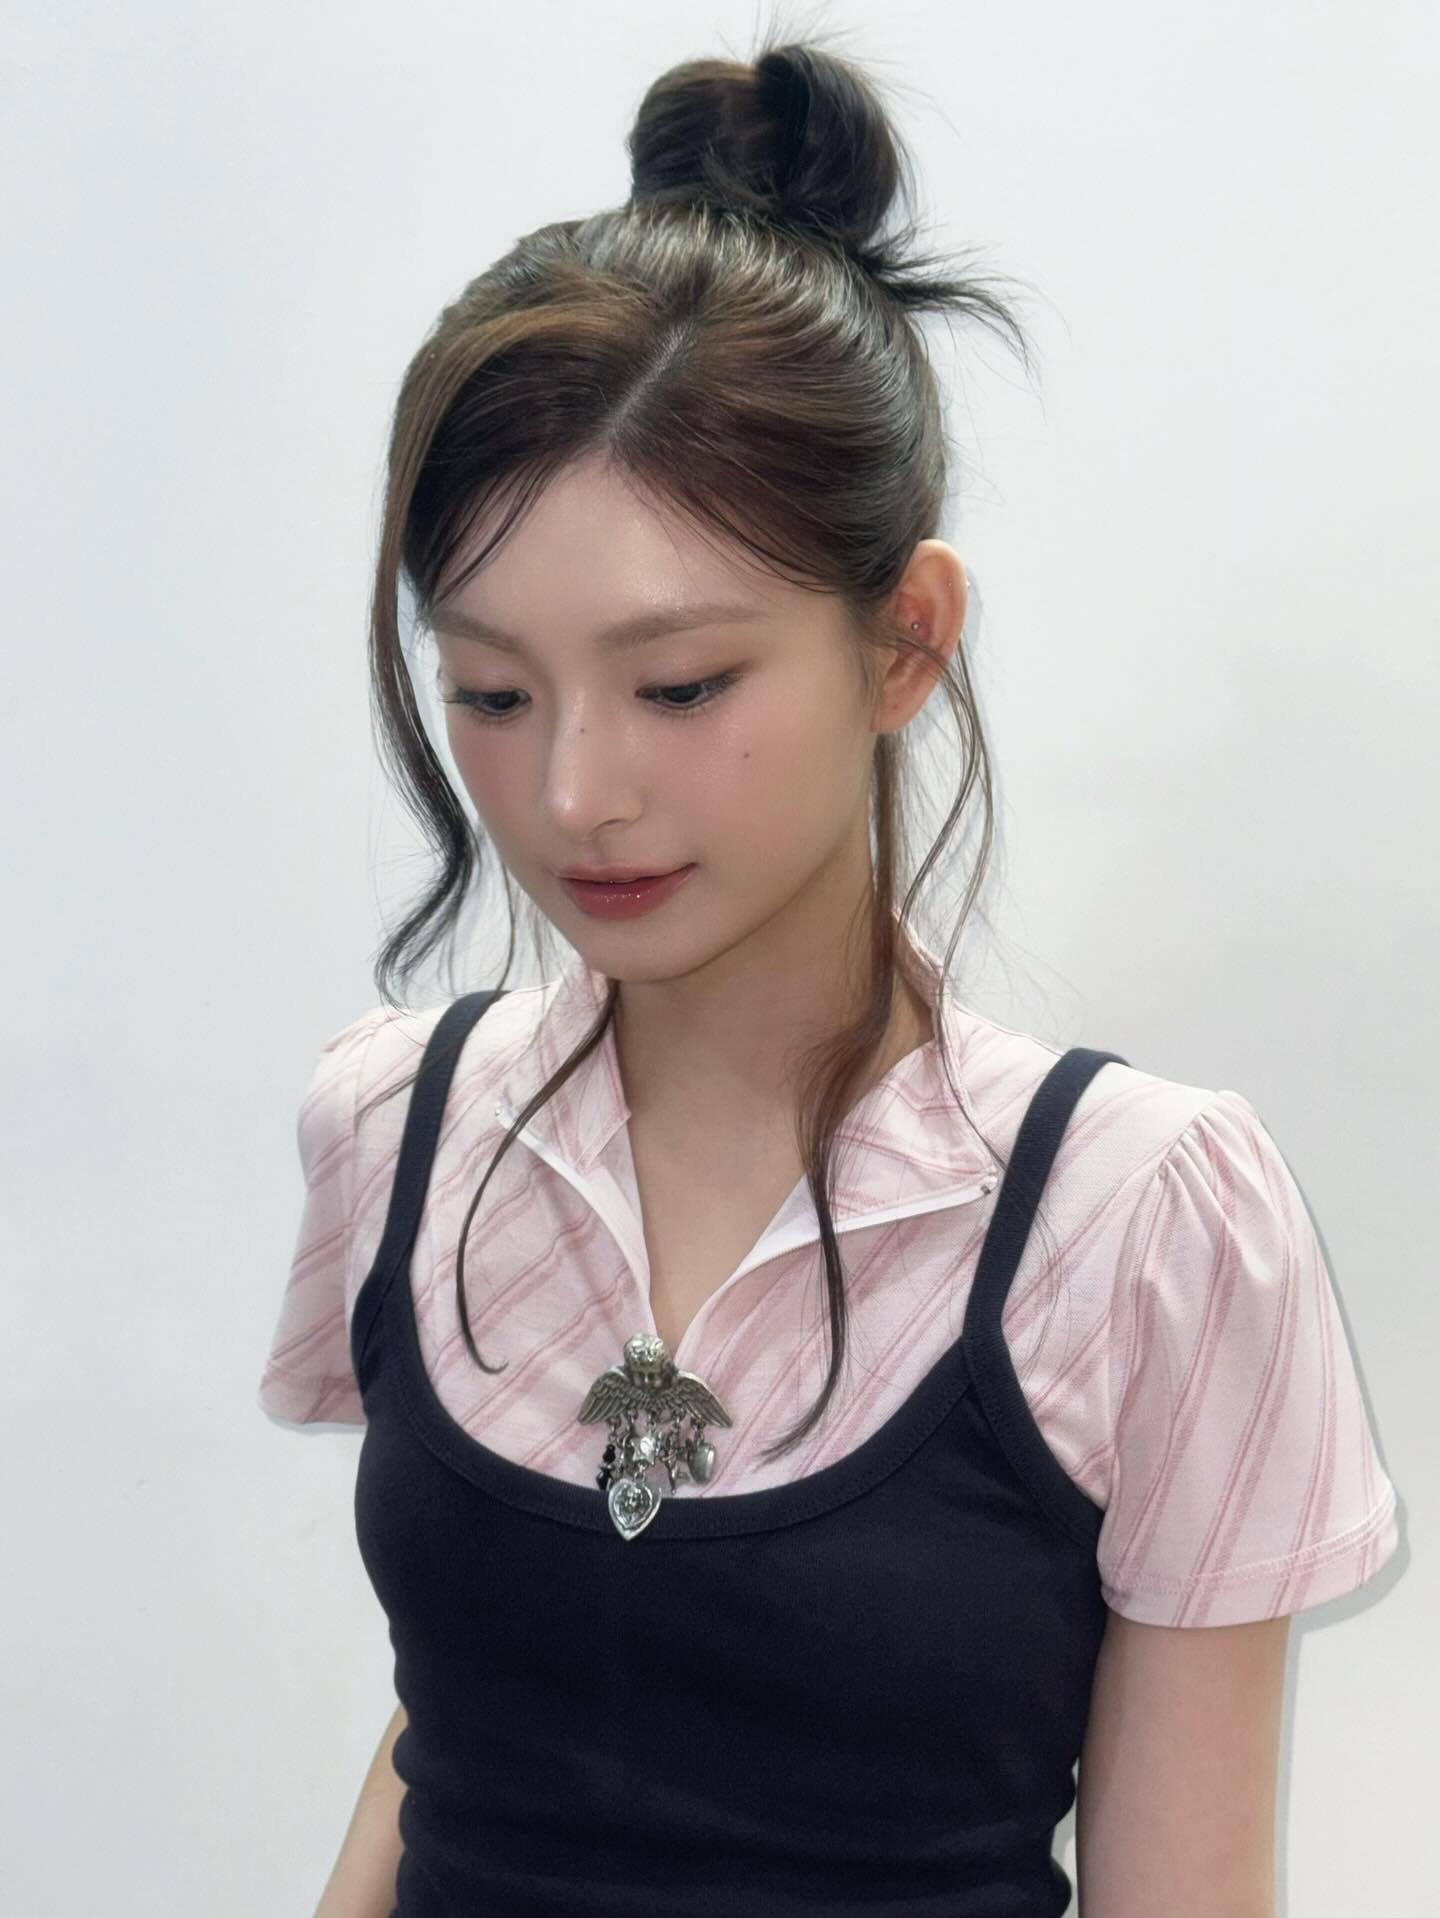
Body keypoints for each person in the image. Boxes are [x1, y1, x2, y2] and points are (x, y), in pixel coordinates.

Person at [258, 27, 1401, 1918]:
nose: (574, 790)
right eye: (492, 690)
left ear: (905, 640)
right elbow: (448, 1722)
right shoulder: (396, 1128)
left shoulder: (1145, 1225)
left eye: (679, 683)